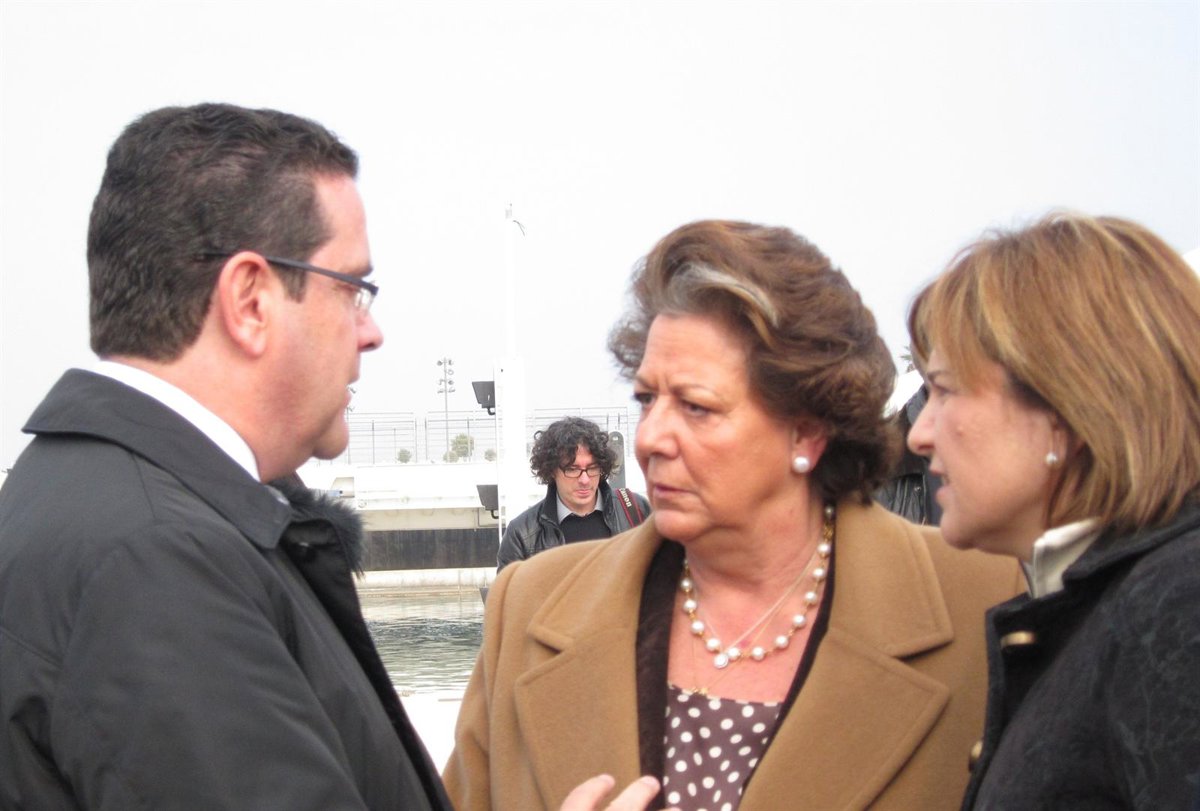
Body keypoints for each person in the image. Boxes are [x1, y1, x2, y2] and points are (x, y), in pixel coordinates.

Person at [0, 103, 661, 811]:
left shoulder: (84, 500)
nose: (371, 332)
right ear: (250, 301)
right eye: (352, 290)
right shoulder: (157, 561)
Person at [444, 220, 1022, 810]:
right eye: (647, 399)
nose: (650, 438)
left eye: (696, 406)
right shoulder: (528, 607)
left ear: (807, 430)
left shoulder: (986, 601)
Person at [906, 212, 1200, 809]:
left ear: (1068, 404)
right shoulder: (1115, 601)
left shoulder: (1178, 606)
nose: (919, 434)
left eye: (945, 390)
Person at [497, 416, 651, 570]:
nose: (584, 479)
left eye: (592, 468)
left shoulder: (636, 509)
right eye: (572, 469)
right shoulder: (522, 534)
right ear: (551, 471)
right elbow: (510, 586)